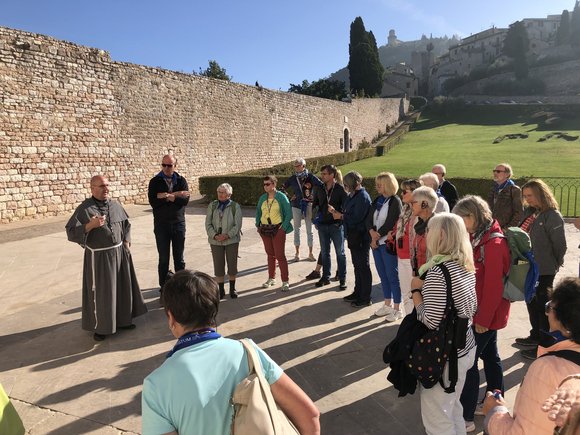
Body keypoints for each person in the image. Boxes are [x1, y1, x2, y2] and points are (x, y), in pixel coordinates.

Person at [141, 270, 320, 435]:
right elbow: (309, 415)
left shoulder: (156, 386)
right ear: (213, 310)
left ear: (171, 317)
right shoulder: (248, 352)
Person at [483, 277, 580, 435]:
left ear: (564, 320)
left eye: (549, 307)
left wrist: (494, 412)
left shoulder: (547, 369)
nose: (547, 313)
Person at [410, 213, 478, 434]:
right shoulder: (465, 265)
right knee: (453, 408)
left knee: (438, 419)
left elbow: (430, 320)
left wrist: (415, 291)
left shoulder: (439, 271)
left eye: (430, 230)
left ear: (441, 235)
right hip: (465, 347)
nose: (426, 233)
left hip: (446, 356)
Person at [453, 195, 511, 433]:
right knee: (491, 357)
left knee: (469, 364)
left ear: (473, 216)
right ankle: (496, 402)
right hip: (483, 314)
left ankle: (466, 417)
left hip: (485, 317)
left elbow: (494, 287)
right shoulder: (480, 236)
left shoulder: (493, 243)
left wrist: (483, 320)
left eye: (461, 219)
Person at [65, 175, 147, 341]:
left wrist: (126, 242)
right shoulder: (84, 209)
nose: (106, 189)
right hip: (99, 258)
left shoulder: (115, 205)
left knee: (122, 289)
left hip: (119, 253)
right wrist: (90, 225)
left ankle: (123, 320)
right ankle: (101, 327)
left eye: (107, 185)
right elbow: (71, 232)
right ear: (92, 188)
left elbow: (126, 225)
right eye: (102, 186)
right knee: (103, 293)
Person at [515, 179, 567, 360]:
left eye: (530, 195)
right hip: (528, 266)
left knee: (542, 306)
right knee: (531, 301)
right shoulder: (531, 212)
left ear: (541, 194)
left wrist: (555, 263)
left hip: (544, 268)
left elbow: (560, 245)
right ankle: (535, 335)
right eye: (525, 196)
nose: (527, 199)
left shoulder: (552, 216)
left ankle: (544, 346)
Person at [147, 154, 190, 293]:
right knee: (163, 258)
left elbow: (185, 201)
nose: (166, 168)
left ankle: (181, 285)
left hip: (178, 224)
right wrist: (175, 195)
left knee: (179, 258)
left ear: (175, 166)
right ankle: (164, 286)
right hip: (162, 225)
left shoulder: (181, 180)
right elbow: (153, 202)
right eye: (164, 165)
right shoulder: (155, 181)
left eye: (169, 165)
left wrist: (165, 196)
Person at [329, 171, 372, 307]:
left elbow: (357, 217)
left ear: (355, 184)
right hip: (354, 235)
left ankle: (365, 297)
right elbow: (348, 211)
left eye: (347, 185)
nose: (345, 187)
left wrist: (341, 216)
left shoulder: (363, 197)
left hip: (361, 237)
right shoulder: (353, 195)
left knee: (363, 266)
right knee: (357, 265)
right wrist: (337, 213)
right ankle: (358, 292)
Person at [368, 172, 403, 321]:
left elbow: (391, 222)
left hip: (387, 244)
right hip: (375, 243)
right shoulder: (378, 200)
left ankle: (397, 308)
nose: (377, 187)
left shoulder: (395, 201)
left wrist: (377, 235)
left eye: (380, 184)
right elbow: (369, 218)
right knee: (383, 275)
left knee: (392, 276)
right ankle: (387, 304)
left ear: (388, 185)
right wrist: (371, 232)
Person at [388, 178, 422, 316]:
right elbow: (399, 228)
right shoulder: (405, 209)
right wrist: (393, 234)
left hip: (412, 259)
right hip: (401, 256)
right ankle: (408, 321)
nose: (401, 194)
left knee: (414, 294)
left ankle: (416, 323)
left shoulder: (418, 212)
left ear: (415, 193)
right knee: (406, 292)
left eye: (404, 191)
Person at [312, 165, 348, 290]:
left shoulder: (340, 189)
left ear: (332, 175)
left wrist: (336, 213)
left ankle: (342, 278)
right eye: (321, 173)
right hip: (322, 226)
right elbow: (315, 204)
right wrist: (315, 220)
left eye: (324, 174)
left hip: (336, 226)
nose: (322, 176)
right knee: (325, 252)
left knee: (340, 253)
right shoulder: (319, 188)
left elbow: (347, 208)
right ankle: (325, 277)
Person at [255, 175, 293, 292]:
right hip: (264, 229)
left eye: (268, 184)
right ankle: (271, 278)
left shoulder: (281, 197)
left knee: (280, 255)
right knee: (270, 255)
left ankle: (285, 281)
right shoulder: (263, 198)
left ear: (274, 184)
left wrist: (283, 228)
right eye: (264, 184)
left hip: (278, 229)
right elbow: (258, 212)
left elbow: (289, 213)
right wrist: (258, 225)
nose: (265, 186)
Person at [205, 183, 243, 299]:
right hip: (216, 241)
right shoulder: (212, 206)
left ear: (229, 194)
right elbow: (208, 223)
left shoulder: (235, 206)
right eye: (219, 192)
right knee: (218, 266)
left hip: (231, 241)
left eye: (223, 192)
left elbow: (237, 225)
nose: (221, 194)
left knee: (232, 266)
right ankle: (220, 290)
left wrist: (227, 235)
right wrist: (215, 235)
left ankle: (232, 288)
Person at [281, 158, 323, 262]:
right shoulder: (293, 178)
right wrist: (289, 196)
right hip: (296, 205)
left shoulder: (310, 177)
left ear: (303, 166)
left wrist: (314, 196)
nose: (296, 168)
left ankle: (310, 253)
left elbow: (321, 185)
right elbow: (282, 188)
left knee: (309, 229)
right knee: (297, 229)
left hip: (308, 204)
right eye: (295, 166)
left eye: (298, 166)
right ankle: (297, 253)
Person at [409, 186, 438, 277]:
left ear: (424, 204)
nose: (410, 206)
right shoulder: (420, 225)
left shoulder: (437, 226)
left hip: (432, 277)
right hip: (421, 275)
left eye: (413, 203)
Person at [486, 163, 523, 230]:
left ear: (507, 174)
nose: (495, 173)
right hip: (492, 228)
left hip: (505, 230)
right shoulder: (493, 189)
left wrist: (507, 229)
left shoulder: (514, 190)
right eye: (494, 171)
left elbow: (519, 213)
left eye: (498, 171)